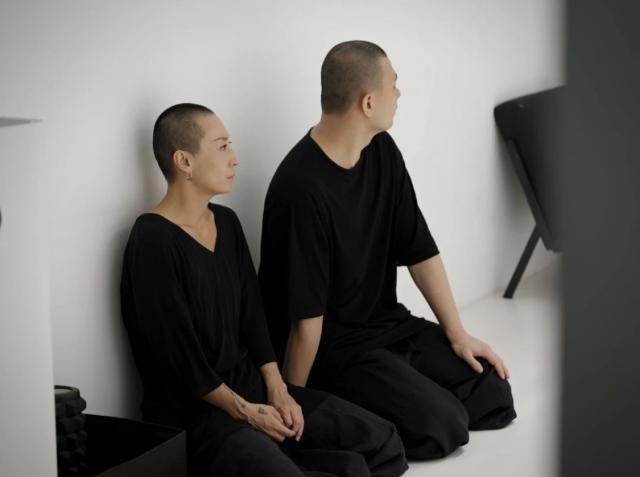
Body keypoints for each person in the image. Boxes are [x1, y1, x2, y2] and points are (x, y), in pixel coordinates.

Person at [259, 41, 517, 460]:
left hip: (386, 327)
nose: (399, 93)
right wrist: (297, 402)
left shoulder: (380, 149)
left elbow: (419, 249)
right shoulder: (301, 189)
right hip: (334, 350)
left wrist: (457, 334)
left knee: (492, 391)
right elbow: (306, 324)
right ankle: (379, 407)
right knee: (444, 424)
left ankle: (398, 394)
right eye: (393, 85)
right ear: (368, 102)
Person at [120, 103, 408, 477]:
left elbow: (254, 319)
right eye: (222, 146)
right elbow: (184, 364)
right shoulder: (151, 241)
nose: (234, 158)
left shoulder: (227, 222)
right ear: (184, 161)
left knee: (382, 440)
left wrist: (279, 389)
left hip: (253, 390)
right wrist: (248, 413)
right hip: (200, 416)